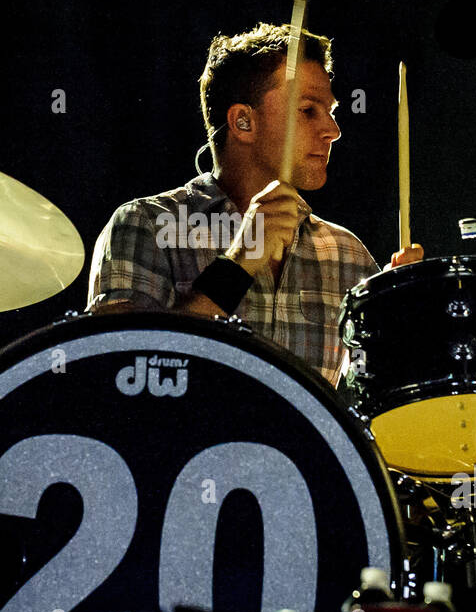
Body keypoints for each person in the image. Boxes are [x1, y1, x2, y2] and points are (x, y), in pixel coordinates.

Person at [87, 22, 421, 386]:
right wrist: (239, 263)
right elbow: (115, 371)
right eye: (308, 110)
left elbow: (366, 404)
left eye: (332, 111)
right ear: (243, 122)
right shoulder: (147, 225)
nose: (332, 130)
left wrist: (396, 323)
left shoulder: (348, 254)